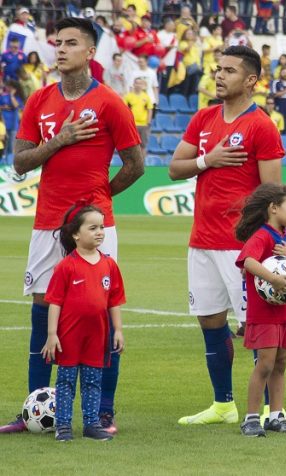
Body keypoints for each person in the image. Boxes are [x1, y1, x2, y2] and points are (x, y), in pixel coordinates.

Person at [1, 17, 143, 436]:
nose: (60, 49)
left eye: (71, 43)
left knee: (98, 314)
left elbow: (135, 164)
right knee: (42, 313)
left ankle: (102, 412)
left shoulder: (110, 103)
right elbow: (20, 162)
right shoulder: (39, 100)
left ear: (90, 52)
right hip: (47, 223)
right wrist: (60, 139)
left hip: (95, 225)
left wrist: (97, 206)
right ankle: (34, 411)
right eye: (57, 43)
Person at [171, 45, 285, 426]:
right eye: (217, 69)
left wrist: (268, 244)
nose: (219, 76)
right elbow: (175, 168)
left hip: (240, 247)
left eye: (229, 70)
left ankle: (270, 407)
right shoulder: (203, 118)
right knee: (209, 322)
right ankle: (223, 405)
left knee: (256, 328)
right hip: (201, 241)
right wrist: (208, 160)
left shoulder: (262, 126)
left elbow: (273, 194)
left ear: (251, 80)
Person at [235, 183, 286, 437]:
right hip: (264, 314)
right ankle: (250, 418)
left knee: (280, 364)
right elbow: (247, 261)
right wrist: (273, 278)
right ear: (273, 208)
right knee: (265, 364)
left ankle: (276, 416)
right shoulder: (262, 236)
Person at [41, 205, 126, 442]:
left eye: (101, 227)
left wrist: (117, 329)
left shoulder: (109, 264)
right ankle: (64, 426)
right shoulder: (66, 266)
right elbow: (55, 302)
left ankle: (91, 424)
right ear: (76, 234)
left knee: (92, 381)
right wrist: (51, 334)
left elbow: (114, 300)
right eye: (93, 227)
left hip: (97, 335)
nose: (100, 232)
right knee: (66, 381)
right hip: (69, 335)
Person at [124, 77, 154, 151]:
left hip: (144, 125)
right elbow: (124, 110)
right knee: (131, 146)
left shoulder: (146, 97)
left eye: (140, 83)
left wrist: (148, 122)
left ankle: (141, 162)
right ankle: (131, 162)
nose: (138, 85)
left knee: (143, 146)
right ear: (133, 84)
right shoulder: (128, 96)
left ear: (143, 85)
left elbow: (150, 110)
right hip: (132, 125)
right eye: (136, 83)